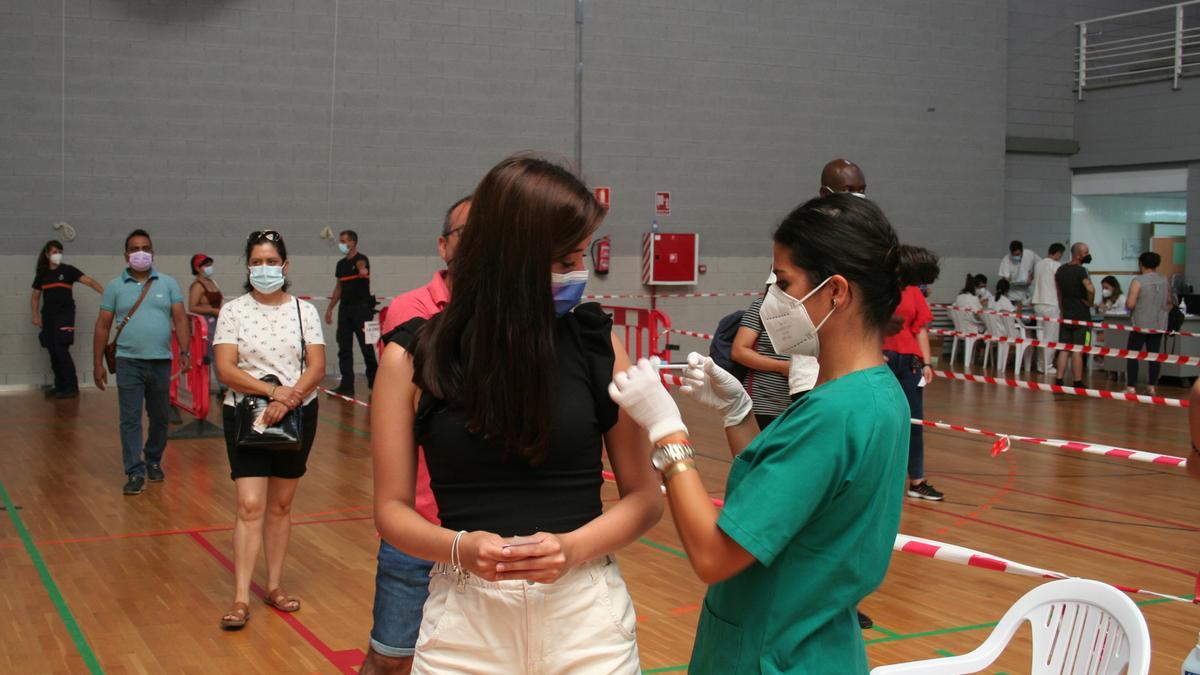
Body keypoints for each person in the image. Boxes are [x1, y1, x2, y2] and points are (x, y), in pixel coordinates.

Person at [372, 155, 661, 673]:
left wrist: (571, 549)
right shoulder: (412, 357)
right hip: (465, 625)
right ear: (507, 257)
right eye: (563, 260)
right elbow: (391, 510)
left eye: (581, 256)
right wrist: (460, 548)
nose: (578, 273)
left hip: (586, 619)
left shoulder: (599, 345)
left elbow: (643, 498)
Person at [609, 193, 912, 674]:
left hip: (775, 654)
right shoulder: (875, 394)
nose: (771, 298)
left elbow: (714, 555)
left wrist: (667, 434)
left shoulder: (833, 413)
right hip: (816, 645)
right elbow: (784, 497)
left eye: (784, 283)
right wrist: (738, 413)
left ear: (836, 292)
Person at [361, 195, 470, 675]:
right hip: (420, 525)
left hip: (492, 530)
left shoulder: (520, 319)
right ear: (444, 246)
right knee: (391, 659)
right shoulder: (409, 311)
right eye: (469, 234)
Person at [212, 230, 326, 631]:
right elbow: (226, 368)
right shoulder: (233, 311)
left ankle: (274, 586)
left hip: (296, 416)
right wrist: (271, 392)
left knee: (280, 506)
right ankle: (241, 597)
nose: (264, 268)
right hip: (246, 416)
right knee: (249, 505)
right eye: (257, 262)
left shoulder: (303, 311)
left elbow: (315, 366)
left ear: (285, 265)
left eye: (271, 261)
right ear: (248, 266)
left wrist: (288, 399)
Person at [93, 230, 190, 496]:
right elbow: (102, 326)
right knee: (130, 419)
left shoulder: (168, 284)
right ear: (126, 255)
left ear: (153, 252)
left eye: (145, 247)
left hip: (161, 362)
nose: (141, 252)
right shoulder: (114, 287)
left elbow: (180, 319)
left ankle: (153, 460)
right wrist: (97, 364)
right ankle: (135, 472)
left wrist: (185, 351)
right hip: (128, 362)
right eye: (135, 248)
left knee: (159, 417)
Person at [883, 246, 943, 502]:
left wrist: (927, 363)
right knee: (882, 421)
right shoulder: (879, 290)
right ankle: (879, 479)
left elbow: (920, 330)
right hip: (881, 358)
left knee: (914, 421)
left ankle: (916, 481)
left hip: (909, 362)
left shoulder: (914, 293)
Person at [30, 240, 103, 398]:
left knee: (61, 349)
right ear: (47, 254)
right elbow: (35, 297)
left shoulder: (68, 271)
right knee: (52, 350)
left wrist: (106, 294)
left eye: (59, 251)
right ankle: (60, 385)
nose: (57, 255)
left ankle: (71, 387)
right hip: (48, 316)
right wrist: (35, 315)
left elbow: (89, 281)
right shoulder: (42, 275)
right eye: (54, 251)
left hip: (65, 315)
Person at [732, 273, 792, 429]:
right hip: (763, 403)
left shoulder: (812, 310)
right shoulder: (761, 307)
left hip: (799, 403)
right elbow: (739, 351)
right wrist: (782, 366)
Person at [325, 229, 378, 397]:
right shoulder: (340, 265)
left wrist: (362, 271)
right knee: (344, 348)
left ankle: (376, 383)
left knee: (367, 348)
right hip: (345, 311)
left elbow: (362, 266)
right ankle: (347, 386)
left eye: (343, 241)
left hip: (362, 310)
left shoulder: (362, 260)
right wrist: (330, 308)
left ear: (353, 243)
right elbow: (339, 287)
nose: (340, 244)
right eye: (340, 241)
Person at [1124, 252, 1171, 396]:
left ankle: (1131, 387)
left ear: (1141, 264)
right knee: (1154, 356)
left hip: (1140, 324)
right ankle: (1151, 386)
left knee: (1133, 355)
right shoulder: (1164, 280)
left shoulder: (1138, 281)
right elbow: (1169, 302)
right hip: (1159, 324)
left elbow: (1130, 304)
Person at [1054, 242, 1095, 388]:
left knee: (1064, 349)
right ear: (1078, 255)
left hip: (1066, 314)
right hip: (1082, 316)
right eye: (1085, 252)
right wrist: (1090, 302)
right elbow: (1090, 289)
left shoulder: (1060, 270)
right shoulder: (1081, 271)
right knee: (1078, 349)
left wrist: (1062, 309)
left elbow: (1059, 294)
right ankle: (1077, 381)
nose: (1088, 255)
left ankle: (1059, 379)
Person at [187, 253, 223, 392]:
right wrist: (211, 310)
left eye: (210, 265)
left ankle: (223, 386)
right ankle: (216, 387)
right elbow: (192, 306)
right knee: (211, 356)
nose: (209, 268)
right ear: (197, 268)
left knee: (220, 354)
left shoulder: (212, 283)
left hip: (217, 322)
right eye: (206, 265)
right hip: (207, 324)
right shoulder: (197, 286)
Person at [1031, 243, 1065, 373]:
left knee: (1041, 336)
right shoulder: (1056, 265)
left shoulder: (1038, 264)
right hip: (1051, 303)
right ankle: (1048, 365)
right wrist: (1062, 305)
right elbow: (1059, 286)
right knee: (1051, 337)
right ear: (1058, 253)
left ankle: (1041, 364)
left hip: (1038, 303)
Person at [997, 240, 1039, 305]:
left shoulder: (1030, 254)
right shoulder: (1006, 259)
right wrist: (1011, 281)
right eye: (1013, 254)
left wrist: (1033, 274)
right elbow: (1006, 279)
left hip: (1027, 292)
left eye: (1017, 254)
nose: (1015, 256)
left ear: (1022, 251)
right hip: (1012, 294)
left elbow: (1040, 265)